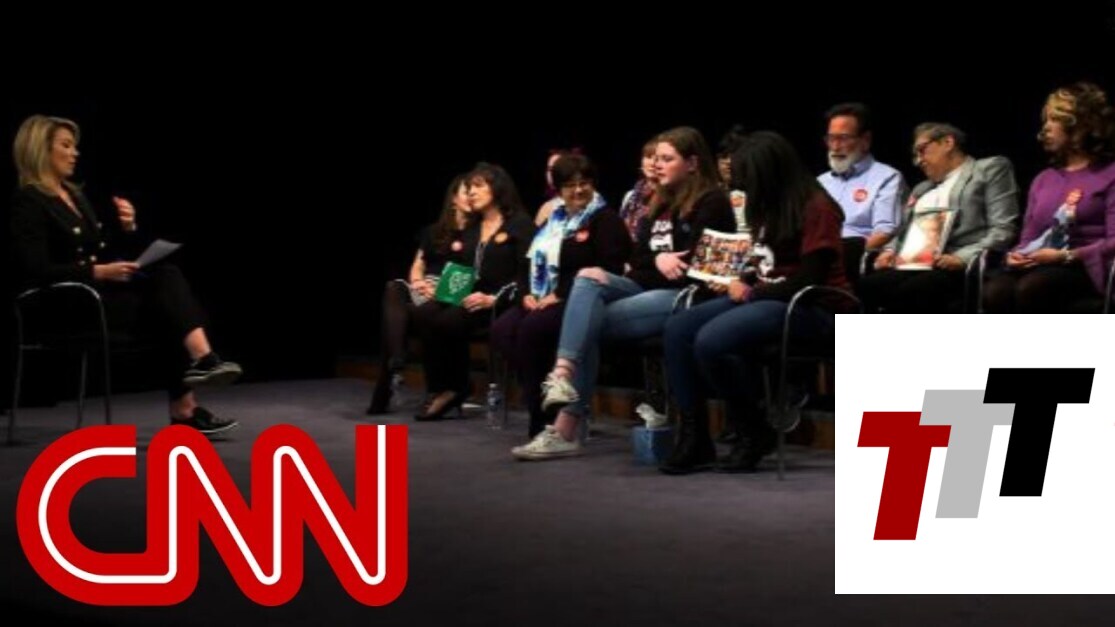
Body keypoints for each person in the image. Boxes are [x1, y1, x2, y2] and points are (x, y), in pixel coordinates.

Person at [9, 115, 242, 435]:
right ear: (41, 150)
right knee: (166, 308)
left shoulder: (75, 196)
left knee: (167, 278)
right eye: (66, 145)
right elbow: (33, 269)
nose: (75, 153)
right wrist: (97, 271)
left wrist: (128, 228)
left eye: (75, 146)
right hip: (64, 305)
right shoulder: (29, 201)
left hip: (94, 297)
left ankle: (202, 364)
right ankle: (189, 398)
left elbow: (102, 251)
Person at [513, 126, 735, 461]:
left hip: (684, 295)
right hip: (645, 286)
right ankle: (562, 375)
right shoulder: (659, 203)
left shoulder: (712, 201)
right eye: (655, 158)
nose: (656, 165)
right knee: (587, 278)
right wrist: (658, 259)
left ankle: (564, 427)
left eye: (667, 159)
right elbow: (639, 258)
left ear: (691, 163)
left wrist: (662, 262)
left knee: (585, 323)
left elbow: (706, 268)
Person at [660, 131, 850, 474]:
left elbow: (809, 279)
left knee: (712, 340)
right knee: (678, 328)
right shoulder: (768, 205)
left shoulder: (817, 207)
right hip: (770, 298)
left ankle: (752, 430)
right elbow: (767, 264)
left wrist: (751, 292)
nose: (744, 186)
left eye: (748, 177)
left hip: (814, 307)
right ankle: (695, 437)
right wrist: (738, 279)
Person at [490, 154, 631, 438]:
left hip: (579, 300)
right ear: (558, 189)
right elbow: (527, 263)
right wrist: (526, 294)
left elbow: (609, 268)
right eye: (570, 185)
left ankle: (543, 419)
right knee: (503, 329)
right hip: (540, 297)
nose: (578, 190)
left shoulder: (605, 219)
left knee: (532, 329)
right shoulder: (552, 221)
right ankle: (546, 399)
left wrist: (559, 294)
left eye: (584, 183)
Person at [409, 162, 534, 421]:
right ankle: (441, 387)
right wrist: (440, 287)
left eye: (478, 186)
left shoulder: (519, 225)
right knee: (423, 313)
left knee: (448, 321)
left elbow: (527, 275)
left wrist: (494, 299)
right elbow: (460, 268)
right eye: (469, 187)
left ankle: (455, 387)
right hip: (467, 297)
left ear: (497, 188)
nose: (471, 193)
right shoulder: (472, 228)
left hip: (500, 301)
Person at [857, 122, 1020, 313]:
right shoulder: (921, 189)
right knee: (865, 286)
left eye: (922, 150)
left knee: (912, 292)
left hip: (959, 265)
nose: (918, 161)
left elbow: (1003, 229)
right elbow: (902, 231)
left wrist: (962, 258)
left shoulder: (989, 169)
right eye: (915, 155)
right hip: (916, 264)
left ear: (948, 142)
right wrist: (890, 251)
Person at [983, 82, 1115, 313]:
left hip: (1087, 266)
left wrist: (1066, 256)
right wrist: (1016, 255)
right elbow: (1028, 237)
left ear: (1081, 125)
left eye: (1054, 119)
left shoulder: (1110, 174)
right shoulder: (1043, 179)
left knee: (1032, 288)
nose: (1045, 128)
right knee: (995, 291)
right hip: (1041, 263)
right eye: (1046, 120)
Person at [366, 174, 474, 414]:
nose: (471, 195)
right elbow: (418, 264)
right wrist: (417, 282)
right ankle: (398, 356)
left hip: (450, 292)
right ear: (453, 198)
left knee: (399, 320)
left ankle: (392, 370)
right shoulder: (434, 231)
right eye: (466, 191)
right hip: (424, 286)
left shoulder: (478, 233)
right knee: (393, 288)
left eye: (474, 191)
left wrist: (440, 290)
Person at [816, 103, 905, 284]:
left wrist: (837, 256)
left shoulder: (887, 177)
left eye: (843, 138)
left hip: (856, 262)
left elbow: (885, 232)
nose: (835, 146)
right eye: (831, 138)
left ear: (865, 140)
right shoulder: (820, 182)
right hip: (817, 260)